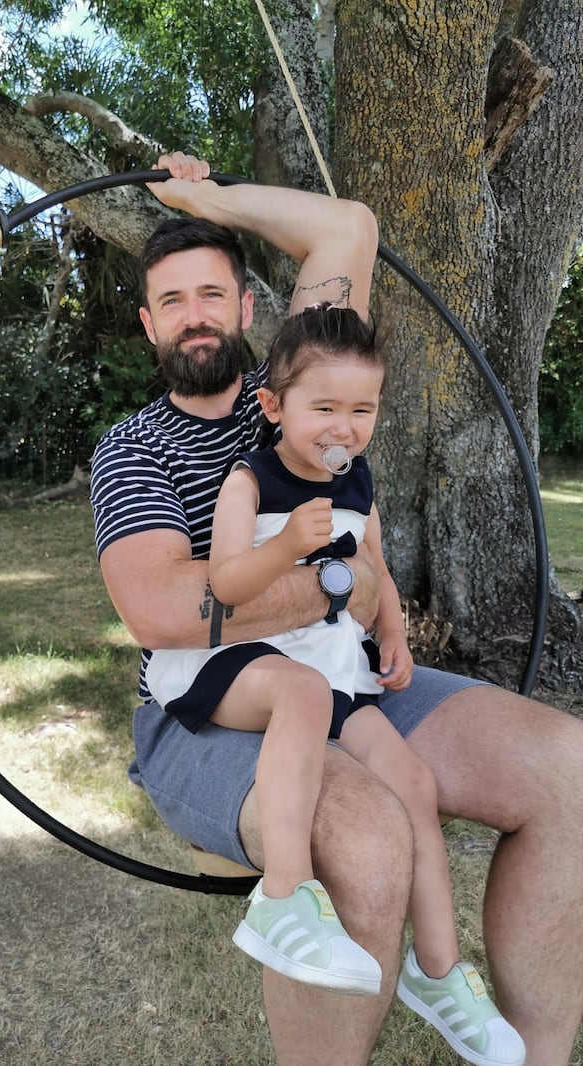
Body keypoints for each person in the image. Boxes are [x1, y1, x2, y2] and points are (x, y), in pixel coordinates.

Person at [90, 152, 583, 1065]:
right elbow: (164, 612)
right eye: (171, 301)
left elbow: (345, 228)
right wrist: (333, 585)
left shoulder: (309, 379)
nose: (194, 314)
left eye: (211, 292)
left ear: (247, 309)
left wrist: (205, 200)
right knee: (364, 834)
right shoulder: (135, 449)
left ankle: (536, 1054)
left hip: (343, 674)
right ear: (151, 326)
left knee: (569, 770)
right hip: (211, 706)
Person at [142, 302, 525, 1064]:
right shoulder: (250, 479)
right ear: (274, 406)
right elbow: (223, 581)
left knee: (411, 781)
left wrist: (389, 630)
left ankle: (440, 968)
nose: (344, 428)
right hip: (232, 661)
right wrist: (286, 542)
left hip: (323, 655)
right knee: (305, 696)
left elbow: (372, 561)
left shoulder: (358, 479)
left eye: (362, 409)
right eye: (324, 408)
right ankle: (283, 898)